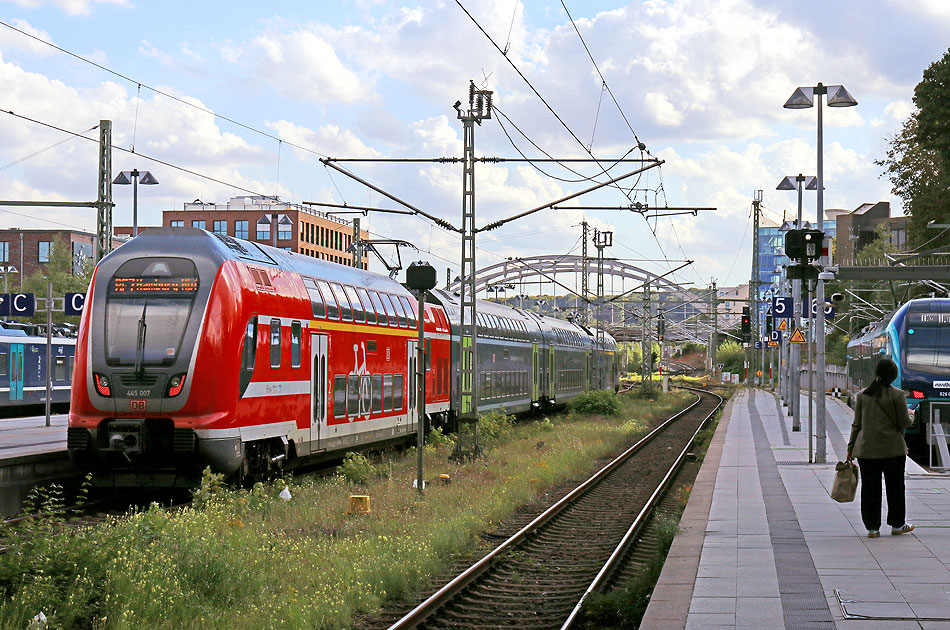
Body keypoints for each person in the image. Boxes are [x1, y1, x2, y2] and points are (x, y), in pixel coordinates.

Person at [846, 357, 914, 538]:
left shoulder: (862, 395)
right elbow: (904, 422)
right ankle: (897, 525)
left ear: (877, 373)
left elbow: (857, 425)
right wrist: (911, 415)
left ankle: (872, 528)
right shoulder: (898, 395)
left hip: (867, 450)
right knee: (895, 487)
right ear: (893, 376)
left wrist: (850, 448)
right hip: (893, 450)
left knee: (870, 489)